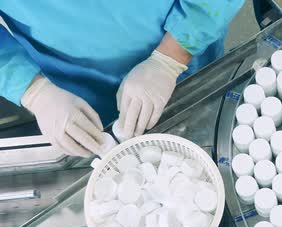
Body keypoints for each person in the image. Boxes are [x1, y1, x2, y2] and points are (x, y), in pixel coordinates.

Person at [0, 1, 244, 157]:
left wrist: (170, 58)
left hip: (186, 48)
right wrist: (35, 92)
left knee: (211, 122)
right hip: (75, 85)